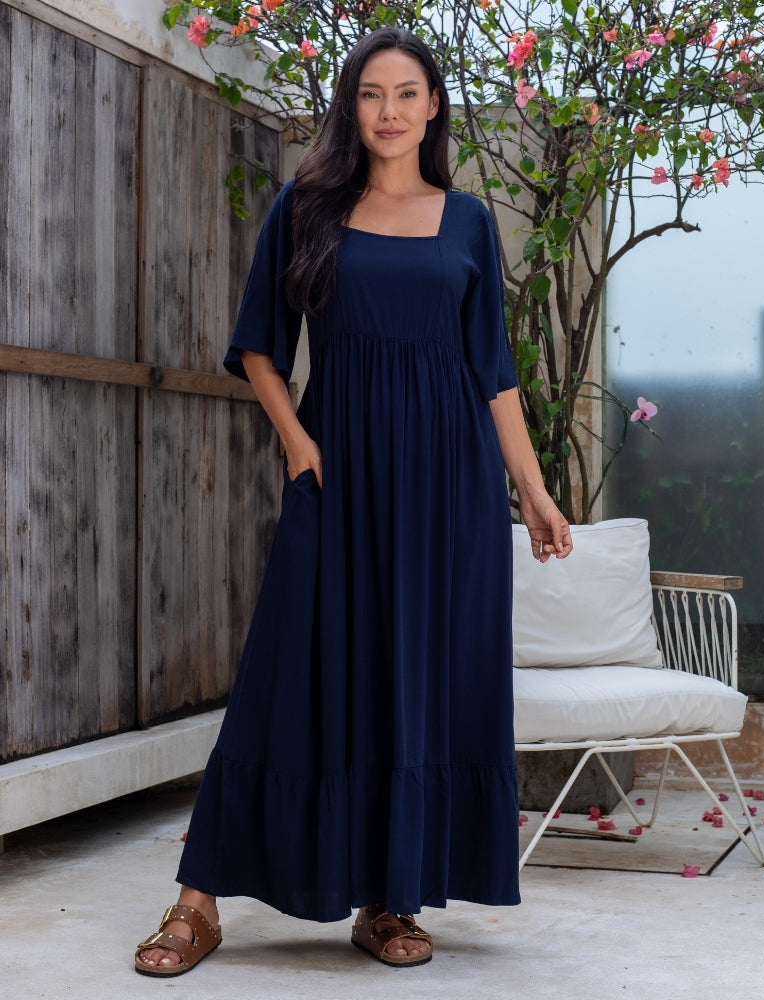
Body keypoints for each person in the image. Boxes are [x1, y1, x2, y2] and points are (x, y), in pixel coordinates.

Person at [134, 26, 572, 977]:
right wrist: (298, 444)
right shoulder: (308, 207)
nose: (389, 112)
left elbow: (493, 374)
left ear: (434, 107)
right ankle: (198, 900)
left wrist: (532, 492)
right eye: (371, 94)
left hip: (450, 485)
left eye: (407, 94)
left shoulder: (465, 223)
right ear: (351, 106)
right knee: (287, 671)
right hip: (336, 474)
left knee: (417, 677)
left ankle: (389, 901)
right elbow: (258, 344)